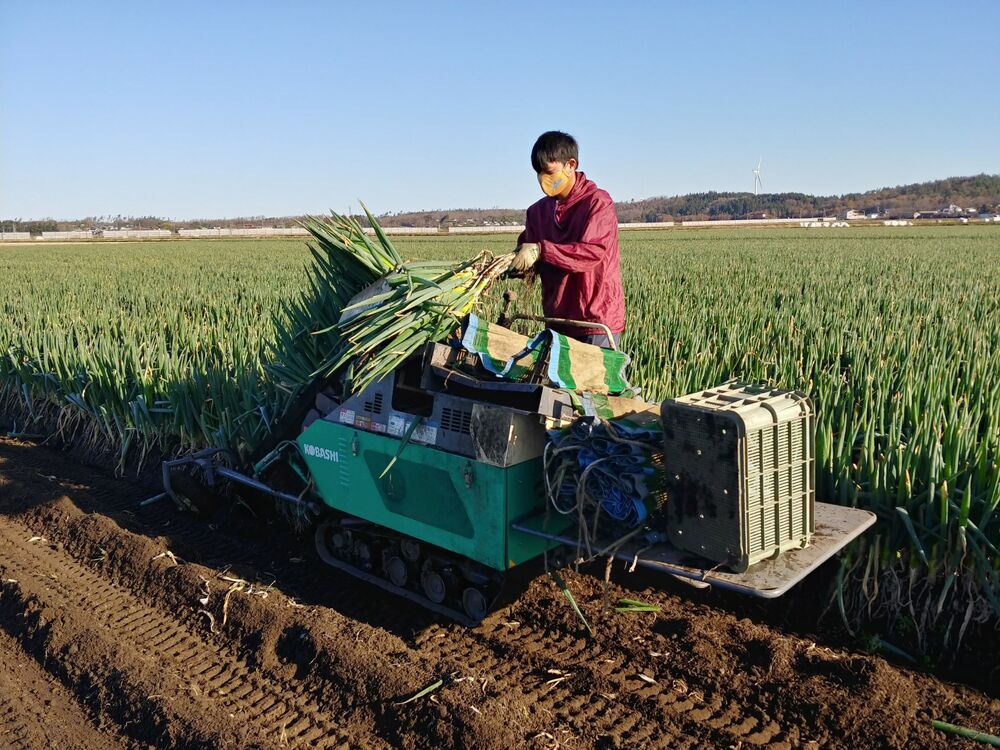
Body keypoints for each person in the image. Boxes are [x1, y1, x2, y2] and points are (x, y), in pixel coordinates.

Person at [510, 130, 625, 349]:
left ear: (571, 165)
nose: (543, 179)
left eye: (549, 171)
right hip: (557, 321)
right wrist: (516, 266)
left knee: (592, 383)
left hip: (593, 321)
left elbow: (591, 253)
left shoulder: (597, 203)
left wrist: (542, 251)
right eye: (539, 173)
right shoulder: (537, 212)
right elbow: (529, 255)